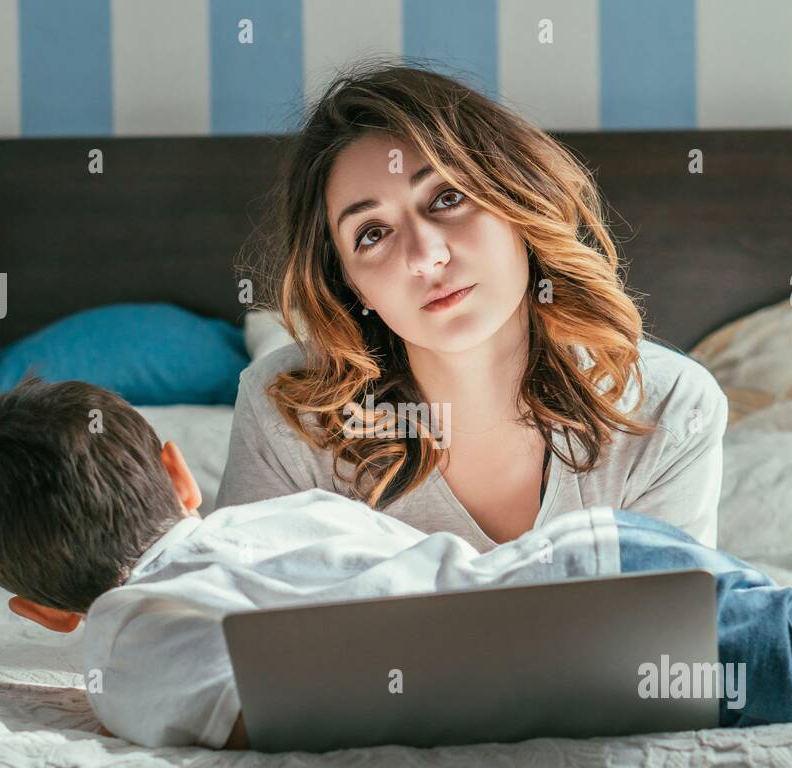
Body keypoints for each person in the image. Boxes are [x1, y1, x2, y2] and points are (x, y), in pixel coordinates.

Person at [0, 377, 792, 750]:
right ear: (182, 475)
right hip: (609, 561)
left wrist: (104, 686)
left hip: (614, 629)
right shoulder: (269, 519)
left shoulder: (120, 636)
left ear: (38, 612)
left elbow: (255, 707)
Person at [218, 58, 728, 551]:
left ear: (518, 202)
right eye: (372, 234)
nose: (425, 256)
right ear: (350, 284)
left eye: (446, 198)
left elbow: (665, 635)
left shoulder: (668, 410)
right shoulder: (287, 416)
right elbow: (241, 620)